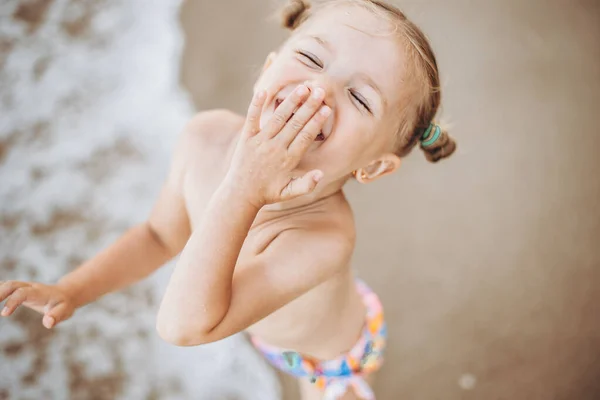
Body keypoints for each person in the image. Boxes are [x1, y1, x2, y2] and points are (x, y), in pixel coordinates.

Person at [0, 0, 456, 398]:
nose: (320, 91)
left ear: (373, 166)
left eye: (359, 97)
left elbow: (183, 326)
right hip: (257, 317)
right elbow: (160, 237)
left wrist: (244, 186)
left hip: (329, 354)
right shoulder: (204, 136)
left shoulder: (326, 237)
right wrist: (73, 290)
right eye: (312, 57)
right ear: (269, 67)